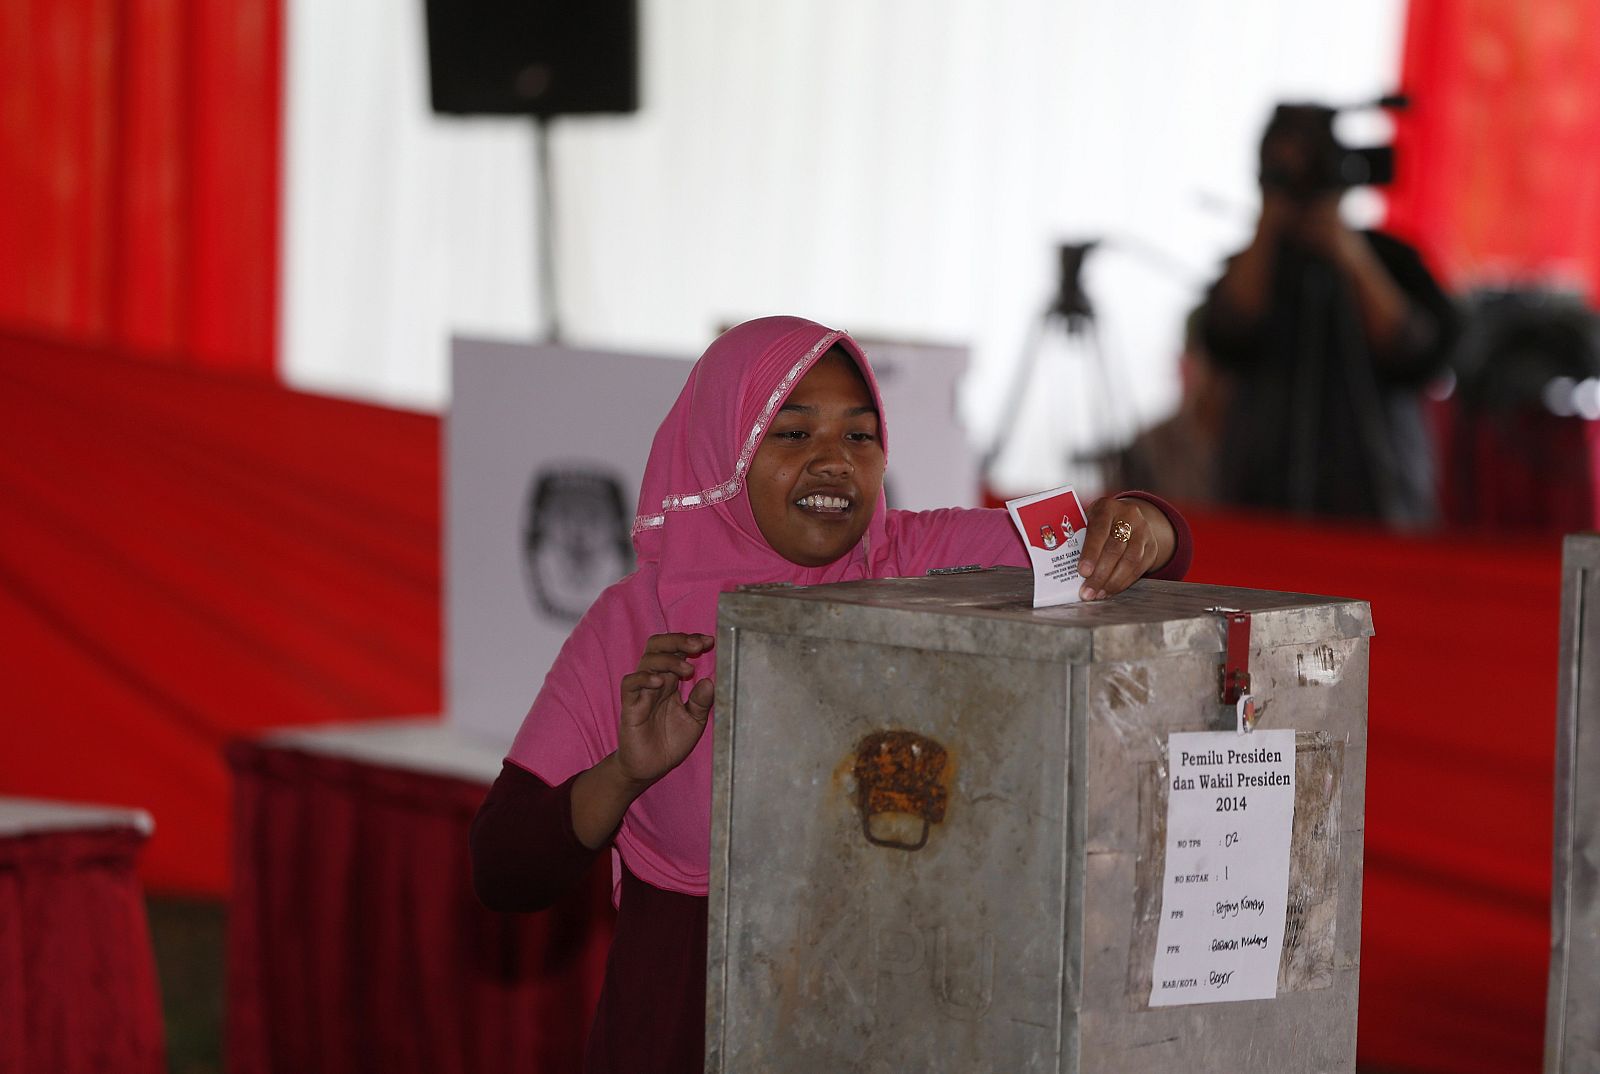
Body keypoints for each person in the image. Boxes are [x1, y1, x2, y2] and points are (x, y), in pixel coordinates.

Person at [469, 316, 1193, 1073]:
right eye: (790, 436)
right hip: (690, 1028)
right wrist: (624, 775)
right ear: (724, 448)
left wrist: (1147, 525)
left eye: (858, 437)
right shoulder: (637, 626)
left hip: (906, 1020)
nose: (833, 464)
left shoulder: (918, 560)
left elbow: (1115, 553)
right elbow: (503, 866)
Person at [1202, 104, 1459, 525]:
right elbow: (1227, 335)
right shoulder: (1253, 266)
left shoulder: (1392, 260)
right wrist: (1269, 223)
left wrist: (1350, 255)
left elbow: (1418, 353)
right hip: (1259, 494)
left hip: (1379, 492)